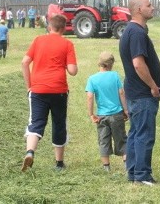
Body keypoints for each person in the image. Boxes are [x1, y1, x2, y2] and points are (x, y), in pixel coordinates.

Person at [20, 14, 78, 172]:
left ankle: (30, 152)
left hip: (38, 89)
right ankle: (59, 163)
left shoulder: (38, 40)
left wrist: (29, 86)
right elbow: (72, 71)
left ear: (49, 27)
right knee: (59, 124)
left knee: (36, 123)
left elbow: (24, 62)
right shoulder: (67, 44)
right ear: (64, 29)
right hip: (58, 90)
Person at [119, 0, 160, 186]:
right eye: (149, 5)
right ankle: (142, 174)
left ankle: (133, 172)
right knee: (144, 134)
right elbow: (138, 64)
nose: (152, 8)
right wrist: (153, 86)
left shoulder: (131, 31)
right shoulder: (137, 33)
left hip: (134, 92)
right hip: (143, 93)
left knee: (136, 133)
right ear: (138, 9)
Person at [86, 51, 129, 171]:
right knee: (121, 138)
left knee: (103, 140)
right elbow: (121, 93)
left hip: (102, 116)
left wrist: (91, 114)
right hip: (116, 114)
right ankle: (126, 164)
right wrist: (125, 110)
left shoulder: (92, 79)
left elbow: (90, 96)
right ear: (111, 64)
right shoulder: (115, 75)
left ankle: (106, 167)